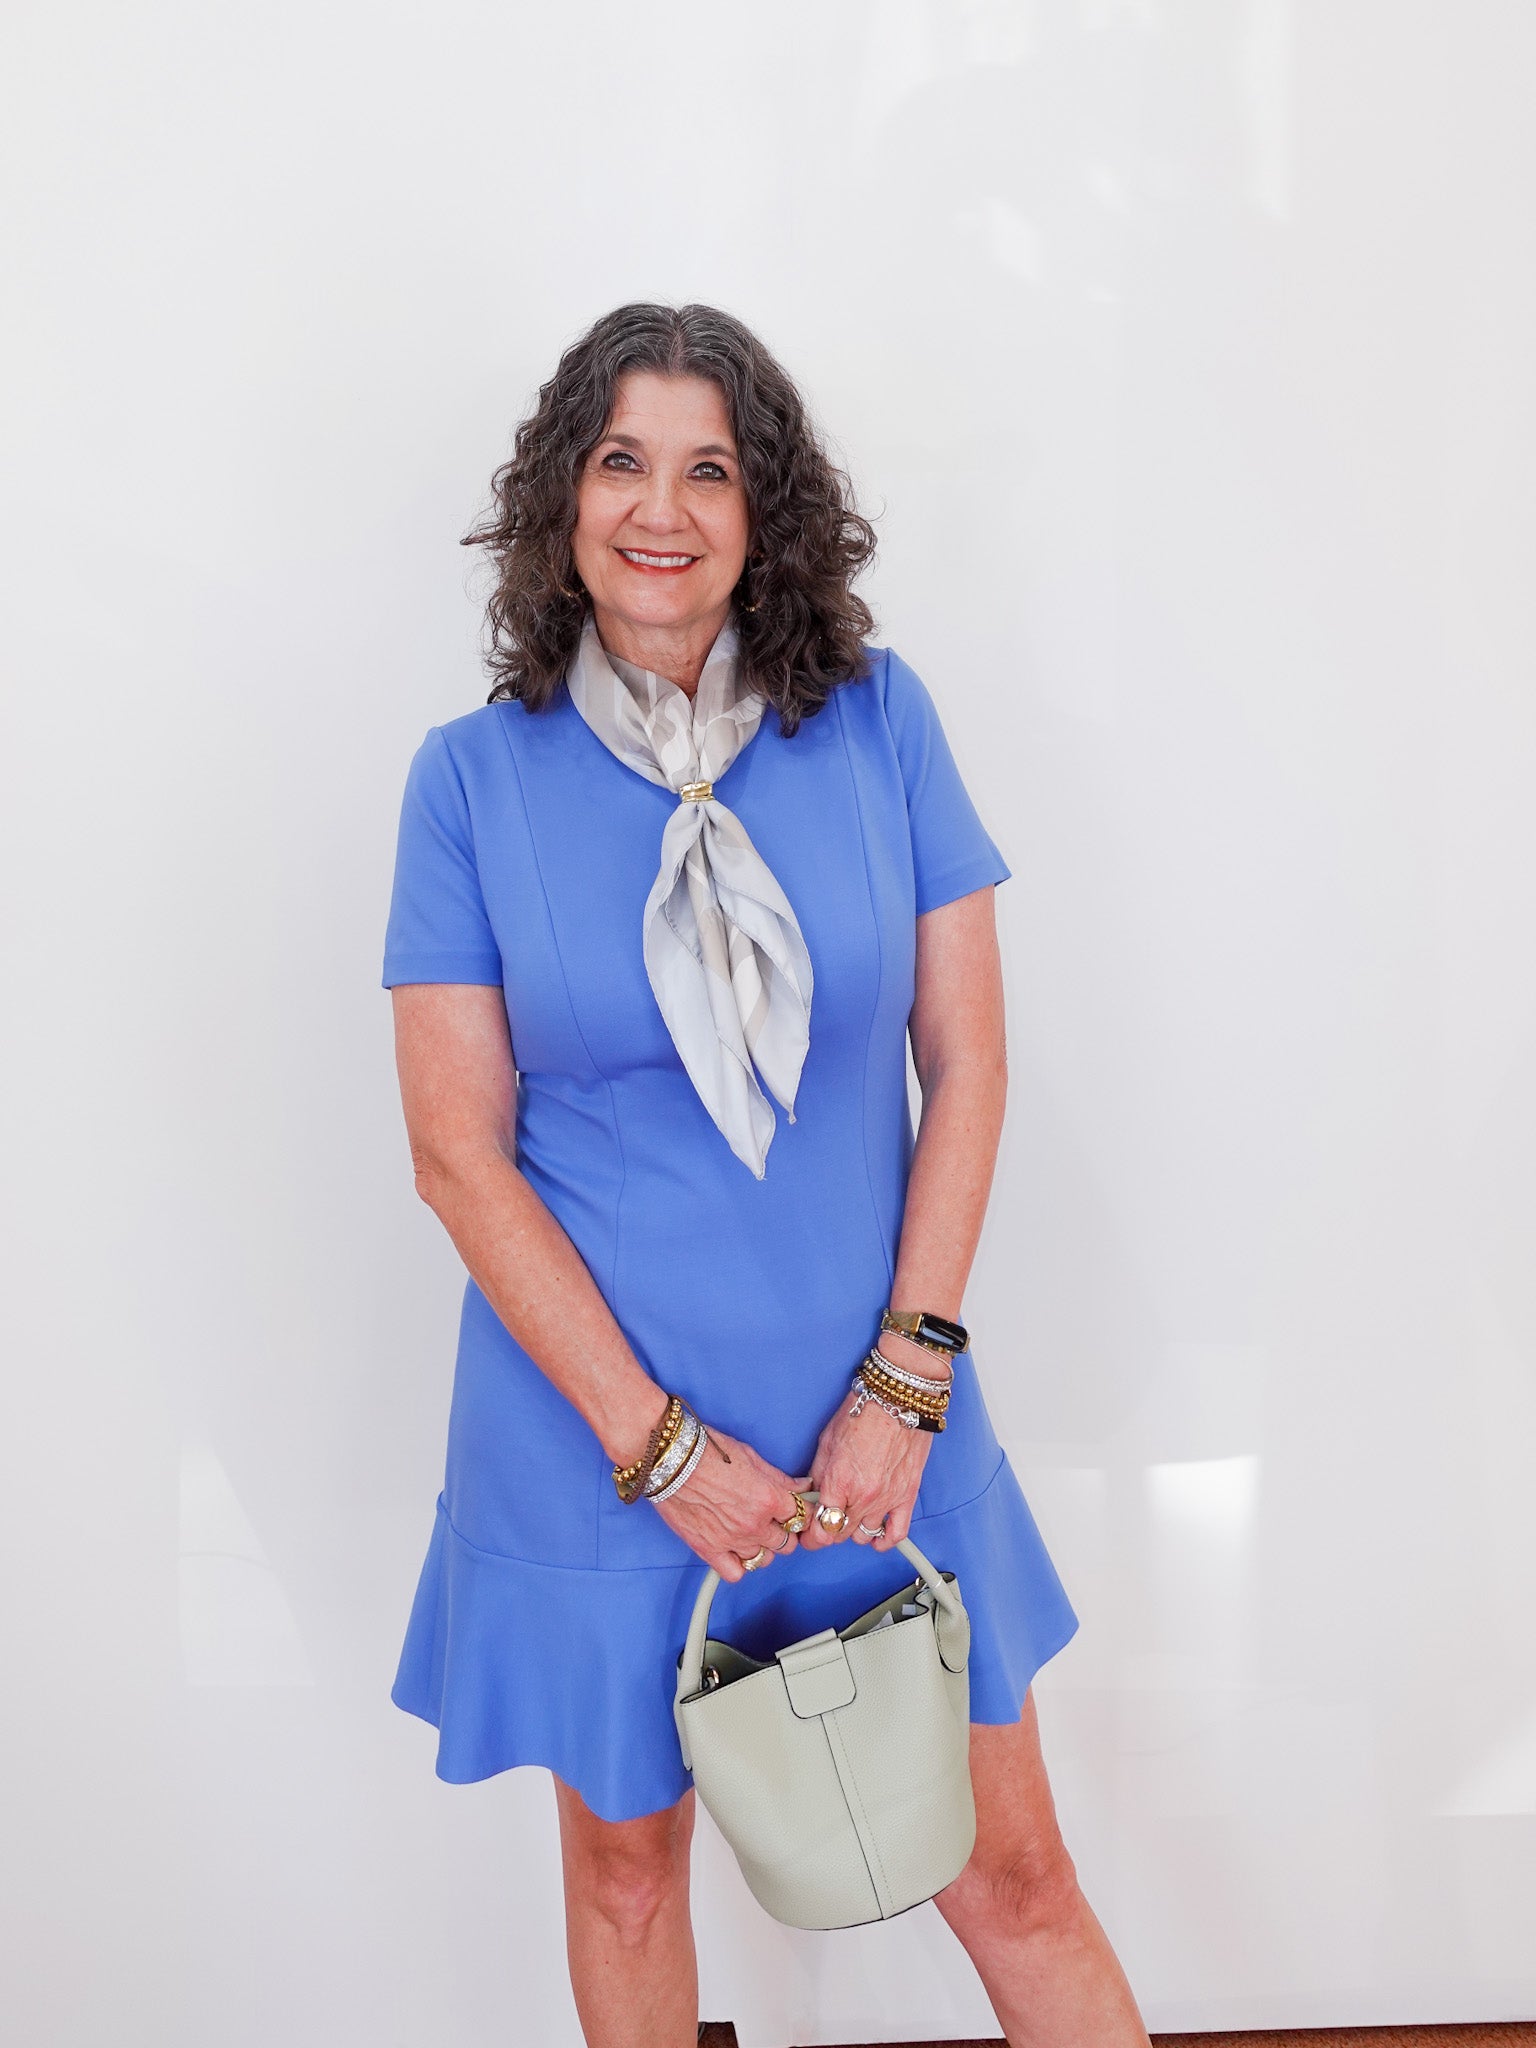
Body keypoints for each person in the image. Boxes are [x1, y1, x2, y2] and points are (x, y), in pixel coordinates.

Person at [382, 301, 1149, 2047]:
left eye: (710, 466)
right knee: (631, 1886)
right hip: (594, 1441)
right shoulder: (469, 783)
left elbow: (970, 1062)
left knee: (1016, 1882)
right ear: (563, 502)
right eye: (622, 460)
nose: (664, 507)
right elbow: (455, 1151)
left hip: (879, 1415)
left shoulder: (881, 725)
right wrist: (657, 1450)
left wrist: (908, 1375)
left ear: (765, 509)